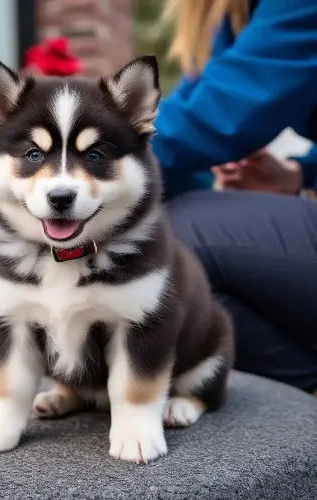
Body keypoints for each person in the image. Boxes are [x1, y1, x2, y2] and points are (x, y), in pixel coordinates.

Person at [153, 0, 317, 392]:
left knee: (174, 238)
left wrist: (90, 155)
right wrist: (299, 175)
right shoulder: (233, 13)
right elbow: (192, 103)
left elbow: (217, 116)